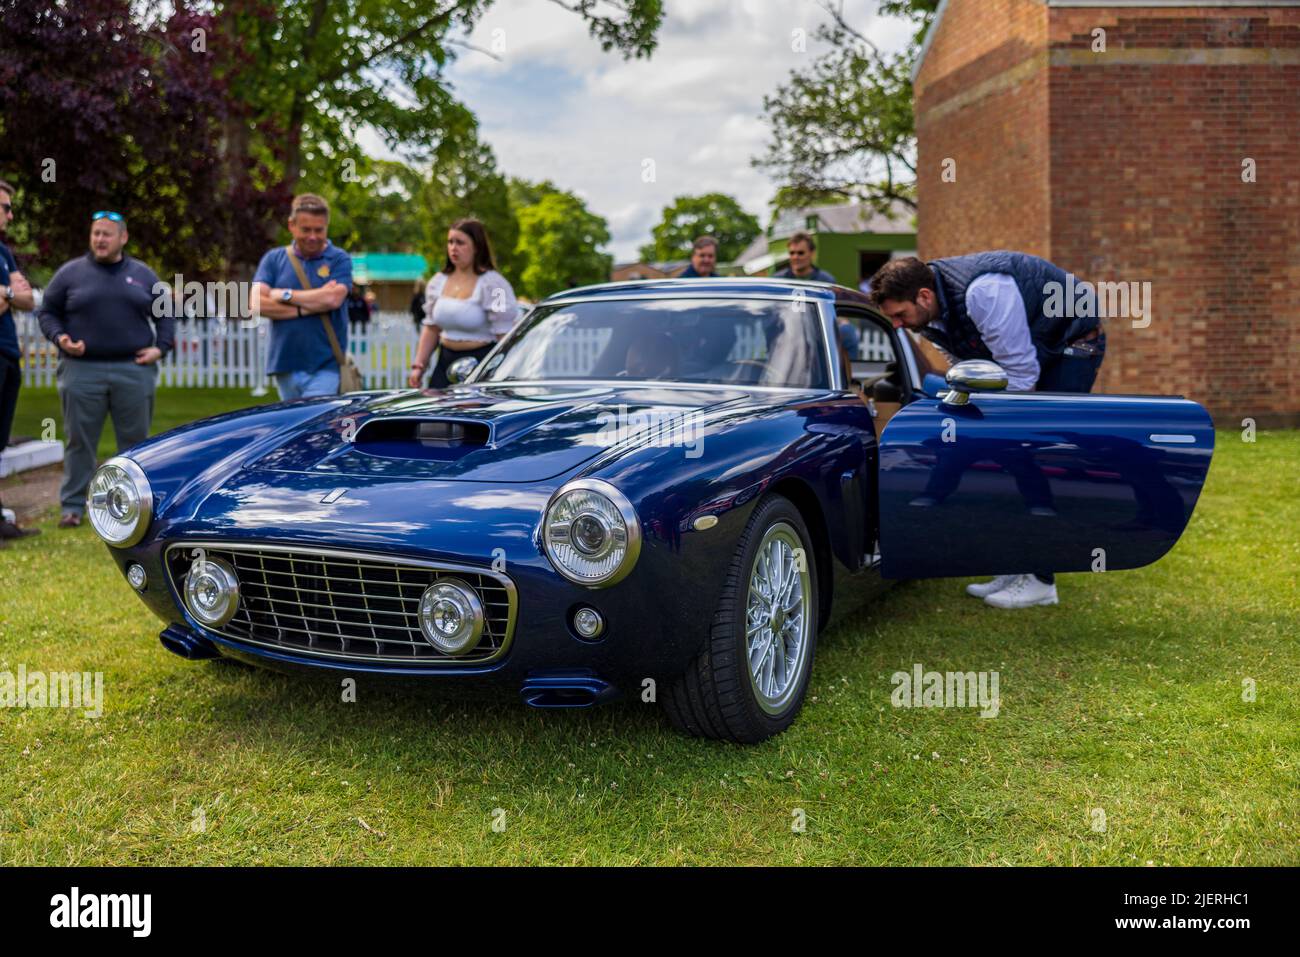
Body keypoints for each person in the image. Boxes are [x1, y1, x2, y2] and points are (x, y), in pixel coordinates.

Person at [869, 251, 1104, 610]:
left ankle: (1041, 579)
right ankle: (1015, 565)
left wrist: (994, 425)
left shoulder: (984, 293)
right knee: (1007, 457)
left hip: (1071, 344)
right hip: (1029, 351)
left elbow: (1021, 376)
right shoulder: (928, 315)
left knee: (1034, 455)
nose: (898, 326)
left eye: (900, 315)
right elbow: (965, 366)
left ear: (924, 297)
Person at [37, 211, 174, 528]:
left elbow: (166, 314)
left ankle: (133, 507)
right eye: (96, 233)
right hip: (81, 370)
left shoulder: (143, 275)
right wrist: (59, 338)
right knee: (79, 441)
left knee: (136, 444)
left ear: (123, 237)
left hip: (133, 370)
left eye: (107, 234)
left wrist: (161, 347)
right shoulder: (70, 274)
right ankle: (72, 507)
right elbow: (47, 312)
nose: (100, 239)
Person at [252, 193, 352, 400]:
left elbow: (332, 300)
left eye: (319, 230)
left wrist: (284, 295)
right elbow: (254, 303)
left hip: (326, 365)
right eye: (306, 230)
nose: (313, 236)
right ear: (292, 225)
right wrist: (306, 307)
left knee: (315, 426)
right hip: (285, 365)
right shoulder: (274, 259)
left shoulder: (338, 259)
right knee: (295, 429)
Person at [409, 219, 518, 389]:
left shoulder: (495, 285)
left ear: (477, 247)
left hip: (482, 366)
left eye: (460, 243)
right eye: (450, 242)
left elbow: (504, 334)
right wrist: (418, 366)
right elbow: (431, 327)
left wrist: (508, 374)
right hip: (444, 364)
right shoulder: (437, 282)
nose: (453, 248)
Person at [0, 179, 39, 540]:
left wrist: (8, 292)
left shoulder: (4, 252)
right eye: (5, 207)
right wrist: (13, 293)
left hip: (8, 353)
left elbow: (28, 299)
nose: (10, 215)